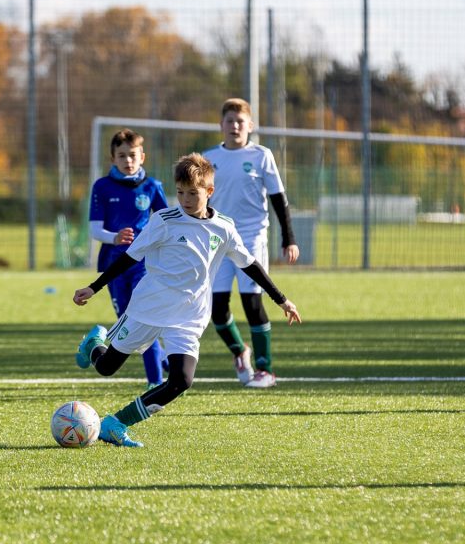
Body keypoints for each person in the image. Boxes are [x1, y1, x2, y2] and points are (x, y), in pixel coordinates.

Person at [73, 153, 301, 447]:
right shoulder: (163, 220)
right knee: (106, 367)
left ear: (209, 191)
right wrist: (94, 287)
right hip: (148, 307)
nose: (185, 199)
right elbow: (130, 258)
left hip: (189, 317)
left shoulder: (224, 228)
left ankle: (115, 423)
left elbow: (250, 264)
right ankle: (94, 344)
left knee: (181, 380)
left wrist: (281, 300)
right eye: (180, 192)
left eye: (193, 193)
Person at [203, 98, 299, 389]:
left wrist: (288, 237)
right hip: (217, 239)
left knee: (253, 303)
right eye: (229, 121)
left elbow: (278, 199)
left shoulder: (261, 156)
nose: (234, 126)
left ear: (250, 126)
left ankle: (265, 369)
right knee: (216, 308)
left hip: (252, 238)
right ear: (221, 125)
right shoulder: (207, 159)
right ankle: (239, 351)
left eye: (240, 122)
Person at [87, 129, 170, 387]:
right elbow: (94, 228)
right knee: (127, 323)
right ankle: (94, 344)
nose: (128, 160)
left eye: (132, 155)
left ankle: (154, 383)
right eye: (121, 156)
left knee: (143, 320)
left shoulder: (152, 187)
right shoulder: (102, 186)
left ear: (142, 156)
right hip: (114, 265)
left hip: (145, 266)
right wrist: (114, 237)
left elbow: (167, 222)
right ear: (113, 158)